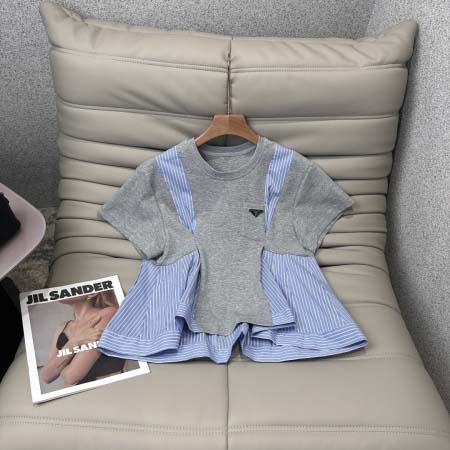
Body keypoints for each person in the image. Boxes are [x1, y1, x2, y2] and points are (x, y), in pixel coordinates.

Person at [41, 290, 125, 387]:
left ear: (92, 293)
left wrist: (57, 367)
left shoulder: (107, 314)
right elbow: (46, 376)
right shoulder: (62, 327)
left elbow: (71, 376)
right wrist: (73, 343)